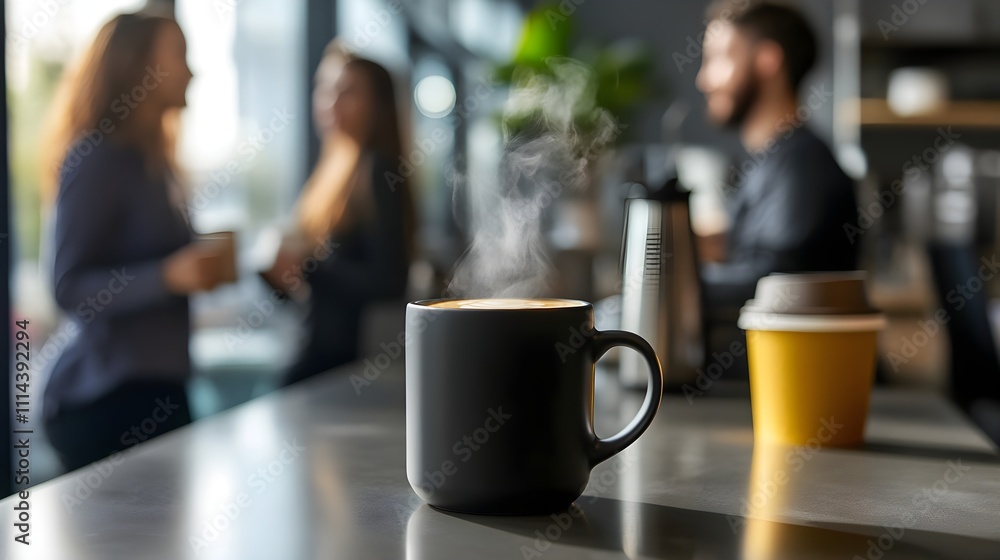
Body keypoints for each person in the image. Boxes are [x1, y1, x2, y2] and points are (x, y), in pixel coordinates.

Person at [40, 12, 224, 471]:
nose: (192, 70)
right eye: (179, 55)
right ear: (138, 67)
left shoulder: (156, 163)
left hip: (159, 389)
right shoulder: (97, 158)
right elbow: (67, 287)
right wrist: (165, 276)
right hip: (109, 398)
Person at [263, 46, 416, 385]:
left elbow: (390, 280)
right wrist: (279, 277)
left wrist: (309, 266)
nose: (331, 102)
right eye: (326, 88)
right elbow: (318, 293)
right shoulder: (331, 172)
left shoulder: (377, 171)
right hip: (319, 352)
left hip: (344, 364)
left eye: (348, 92)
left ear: (378, 104)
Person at [696, 1, 858, 312]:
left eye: (719, 59)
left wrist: (670, 286)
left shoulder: (804, 167)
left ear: (767, 60)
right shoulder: (774, 161)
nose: (704, 80)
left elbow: (776, 284)